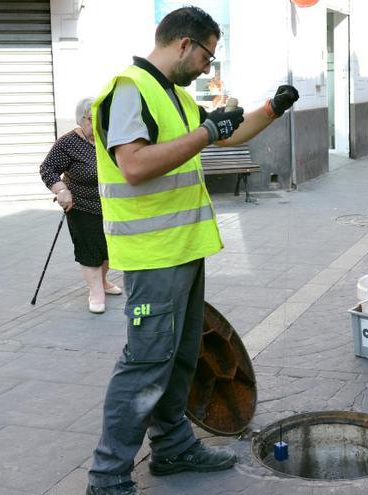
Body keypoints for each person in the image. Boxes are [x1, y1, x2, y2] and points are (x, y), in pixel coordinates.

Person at [85, 7, 298, 495]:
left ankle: (173, 448)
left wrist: (273, 108)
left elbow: (226, 134)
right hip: (152, 255)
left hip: (182, 250)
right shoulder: (129, 90)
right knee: (143, 367)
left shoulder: (175, 98)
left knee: (180, 357)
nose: (208, 66)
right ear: (183, 44)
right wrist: (207, 132)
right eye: (207, 55)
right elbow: (134, 165)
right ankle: (108, 476)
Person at [39, 98, 120, 314]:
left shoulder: (108, 138)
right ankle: (95, 291)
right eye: (94, 119)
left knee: (109, 248)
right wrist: (61, 190)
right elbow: (48, 168)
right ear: (82, 119)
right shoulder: (68, 143)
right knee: (90, 249)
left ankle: (102, 281)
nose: (100, 123)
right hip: (82, 206)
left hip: (112, 205)